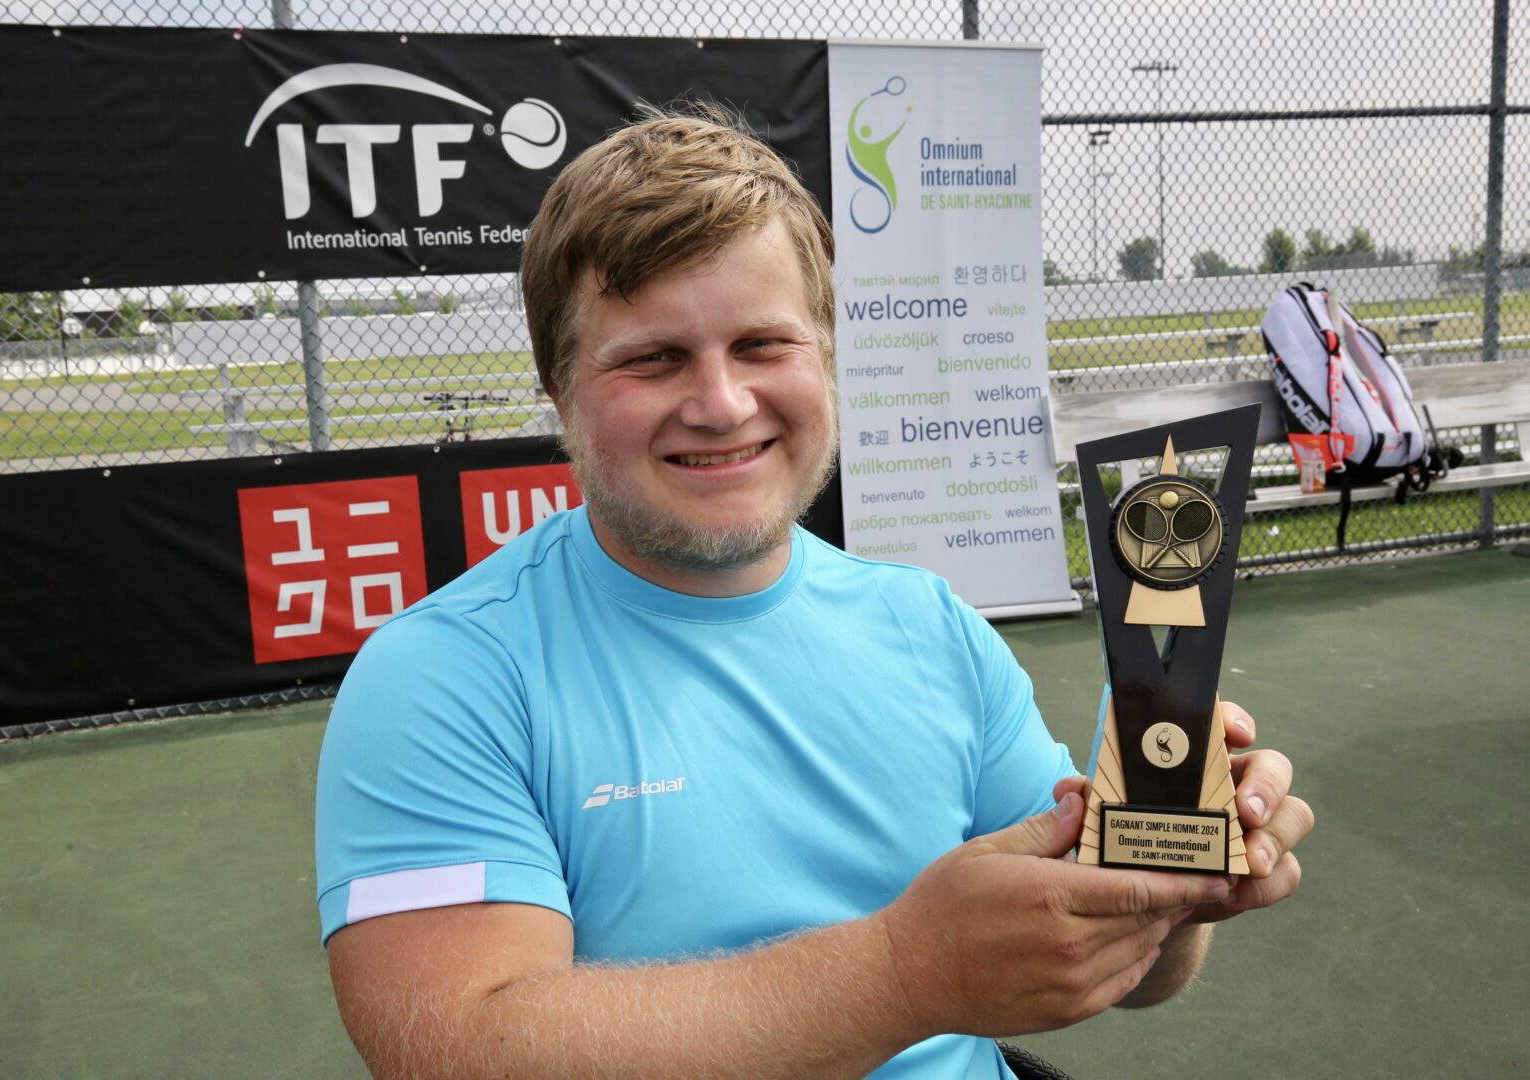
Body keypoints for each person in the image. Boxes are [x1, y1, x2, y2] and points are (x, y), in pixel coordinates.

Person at [314, 106, 1313, 1079]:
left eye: (763, 345)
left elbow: (1123, 967)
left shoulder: (929, 626)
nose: (721, 403)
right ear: (560, 387)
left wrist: (1176, 881)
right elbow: (456, 1049)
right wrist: (903, 975)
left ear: (824, 359)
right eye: (656, 358)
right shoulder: (442, 677)